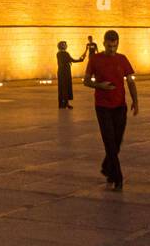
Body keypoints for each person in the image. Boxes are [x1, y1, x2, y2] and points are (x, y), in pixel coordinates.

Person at [84, 29, 138, 191]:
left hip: (120, 106)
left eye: (115, 46)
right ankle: (118, 177)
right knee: (109, 141)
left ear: (118, 44)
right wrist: (99, 85)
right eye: (109, 46)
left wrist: (136, 100)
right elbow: (86, 81)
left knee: (117, 142)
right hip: (102, 106)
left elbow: (130, 81)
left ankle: (107, 167)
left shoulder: (122, 59)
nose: (112, 49)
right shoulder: (95, 59)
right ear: (104, 43)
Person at [56, 41, 85, 109]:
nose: (65, 45)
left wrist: (80, 60)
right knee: (64, 87)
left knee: (65, 87)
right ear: (60, 46)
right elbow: (70, 60)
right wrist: (80, 60)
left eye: (65, 44)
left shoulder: (63, 53)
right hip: (63, 72)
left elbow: (70, 60)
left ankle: (65, 103)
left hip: (65, 72)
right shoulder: (61, 53)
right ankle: (63, 103)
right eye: (64, 45)